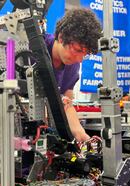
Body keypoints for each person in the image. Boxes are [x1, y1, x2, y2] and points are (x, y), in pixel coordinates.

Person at [44, 8, 102, 142]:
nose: (80, 59)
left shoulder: (72, 64)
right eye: (78, 50)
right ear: (61, 37)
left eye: (85, 54)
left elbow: (67, 105)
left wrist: (82, 136)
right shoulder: (35, 49)